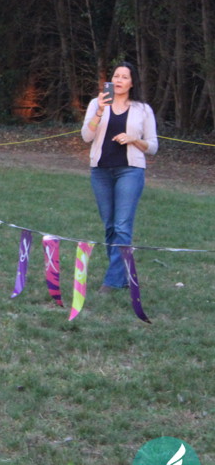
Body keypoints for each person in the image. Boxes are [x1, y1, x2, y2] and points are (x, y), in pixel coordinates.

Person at [81, 62, 158, 294]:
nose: (119, 80)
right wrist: (99, 111)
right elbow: (86, 136)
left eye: (124, 77)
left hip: (130, 171)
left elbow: (153, 146)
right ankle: (122, 276)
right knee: (110, 226)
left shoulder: (143, 109)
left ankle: (112, 281)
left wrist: (133, 139)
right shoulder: (96, 103)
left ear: (132, 83)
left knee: (122, 225)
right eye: (116, 76)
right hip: (101, 172)